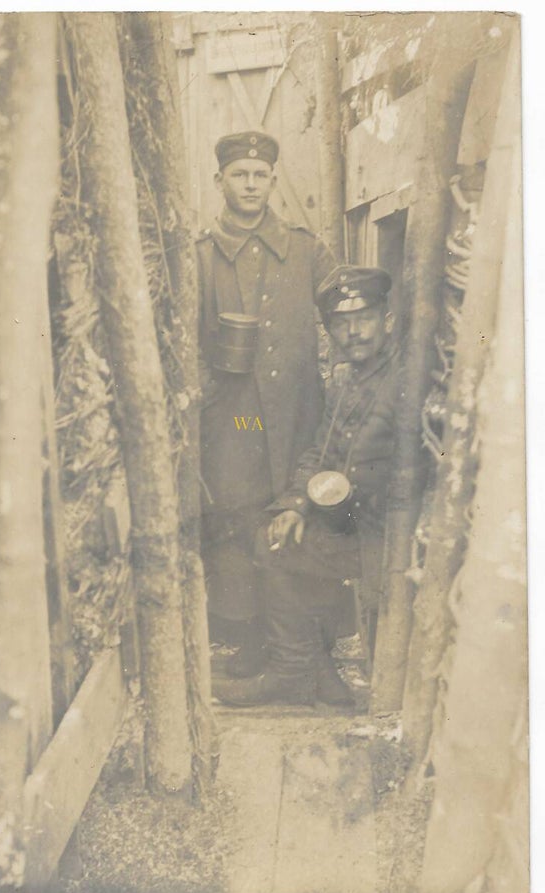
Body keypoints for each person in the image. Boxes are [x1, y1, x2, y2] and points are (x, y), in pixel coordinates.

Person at [214, 265, 401, 707]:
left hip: (387, 531)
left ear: (386, 318)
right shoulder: (347, 379)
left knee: (276, 547)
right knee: (276, 532)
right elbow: (320, 449)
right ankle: (312, 672)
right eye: (342, 323)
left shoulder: (402, 381)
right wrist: (297, 506)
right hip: (350, 518)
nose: (354, 332)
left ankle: (296, 672)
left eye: (365, 318)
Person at [196, 131, 336, 673]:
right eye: (239, 175)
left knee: (306, 514)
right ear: (220, 182)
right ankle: (252, 642)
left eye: (259, 175)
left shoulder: (306, 248)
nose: (250, 184)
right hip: (236, 418)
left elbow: (342, 320)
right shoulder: (203, 256)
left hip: (300, 413)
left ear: (273, 181)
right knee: (237, 519)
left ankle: (312, 644)